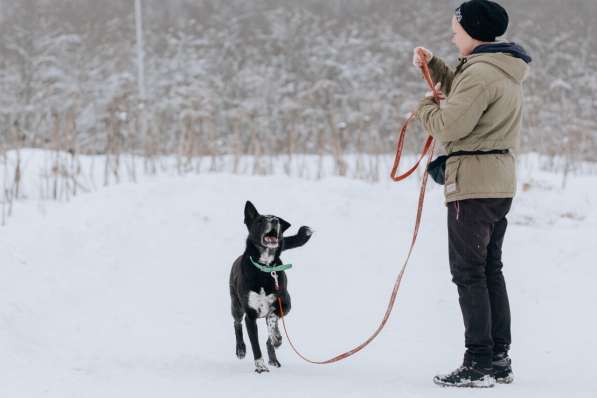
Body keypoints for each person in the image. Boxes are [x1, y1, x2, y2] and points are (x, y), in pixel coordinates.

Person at [413, 0, 531, 388]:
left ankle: (478, 362)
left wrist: (424, 109)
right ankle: (498, 358)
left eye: (456, 30)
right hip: (497, 181)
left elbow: (450, 125)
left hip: (473, 185)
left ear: (474, 30)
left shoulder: (480, 73)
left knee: (469, 273)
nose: (452, 35)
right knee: (488, 270)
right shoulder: (498, 69)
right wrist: (435, 68)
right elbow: (468, 98)